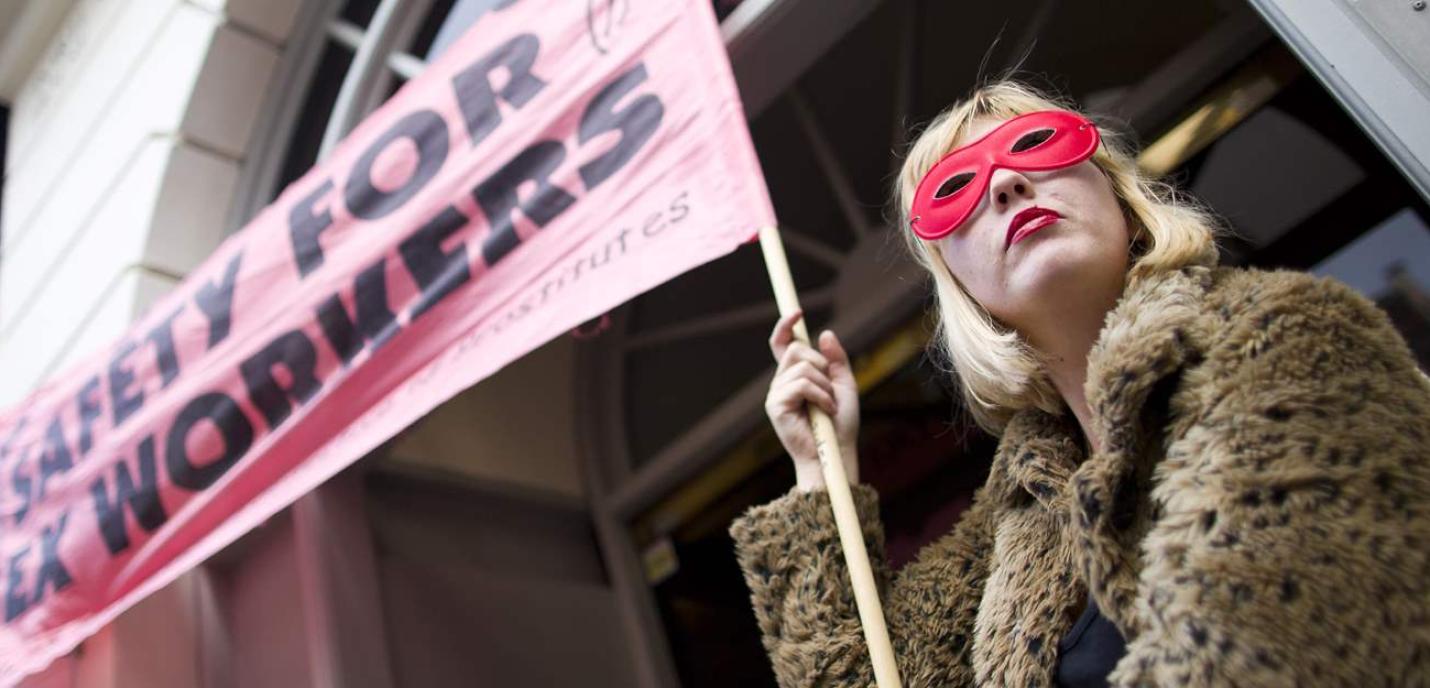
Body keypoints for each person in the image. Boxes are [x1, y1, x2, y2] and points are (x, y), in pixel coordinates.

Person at [730, 80, 1430, 686]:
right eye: (955, 190)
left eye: (1037, 145)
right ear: (960, 287)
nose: (1005, 184)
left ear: (1121, 198)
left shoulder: (1288, 336)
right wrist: (821, 467)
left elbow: (1276, 641)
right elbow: (861, 677)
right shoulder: (1023, 508)